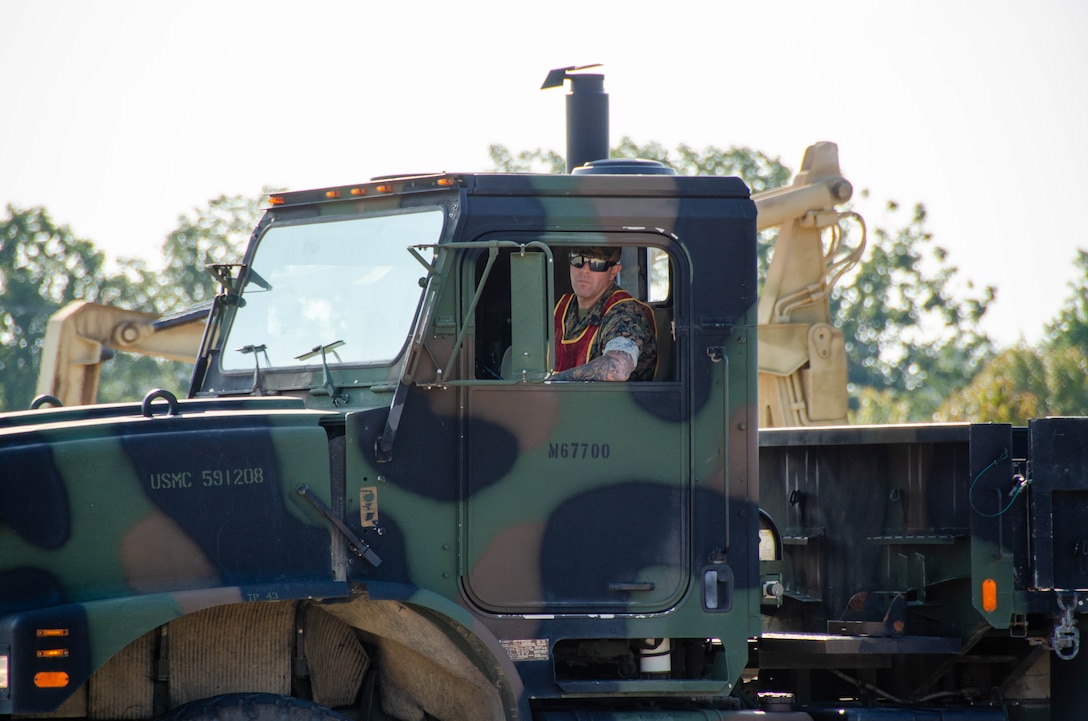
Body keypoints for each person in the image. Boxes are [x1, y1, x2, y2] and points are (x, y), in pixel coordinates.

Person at [550, 247, 657, 381]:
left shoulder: (626, 312)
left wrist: (554, 382)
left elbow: (619, 368)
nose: (585, 270)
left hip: (612, 402)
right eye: (578, 260)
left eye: (597, 263)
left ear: (613, 272)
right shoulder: (562, 307)